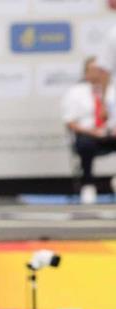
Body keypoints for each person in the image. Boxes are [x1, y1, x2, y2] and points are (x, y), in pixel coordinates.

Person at [61, 56, 116, 204]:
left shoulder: (113, 89)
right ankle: (88, 184)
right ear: (86, 73)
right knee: (85, 143)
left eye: (101, 70)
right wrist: (92, 131)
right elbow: (70, 121)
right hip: (88, 134)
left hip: (111, 133)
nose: (98, 73)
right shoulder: (75, 92)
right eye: (94, 70)